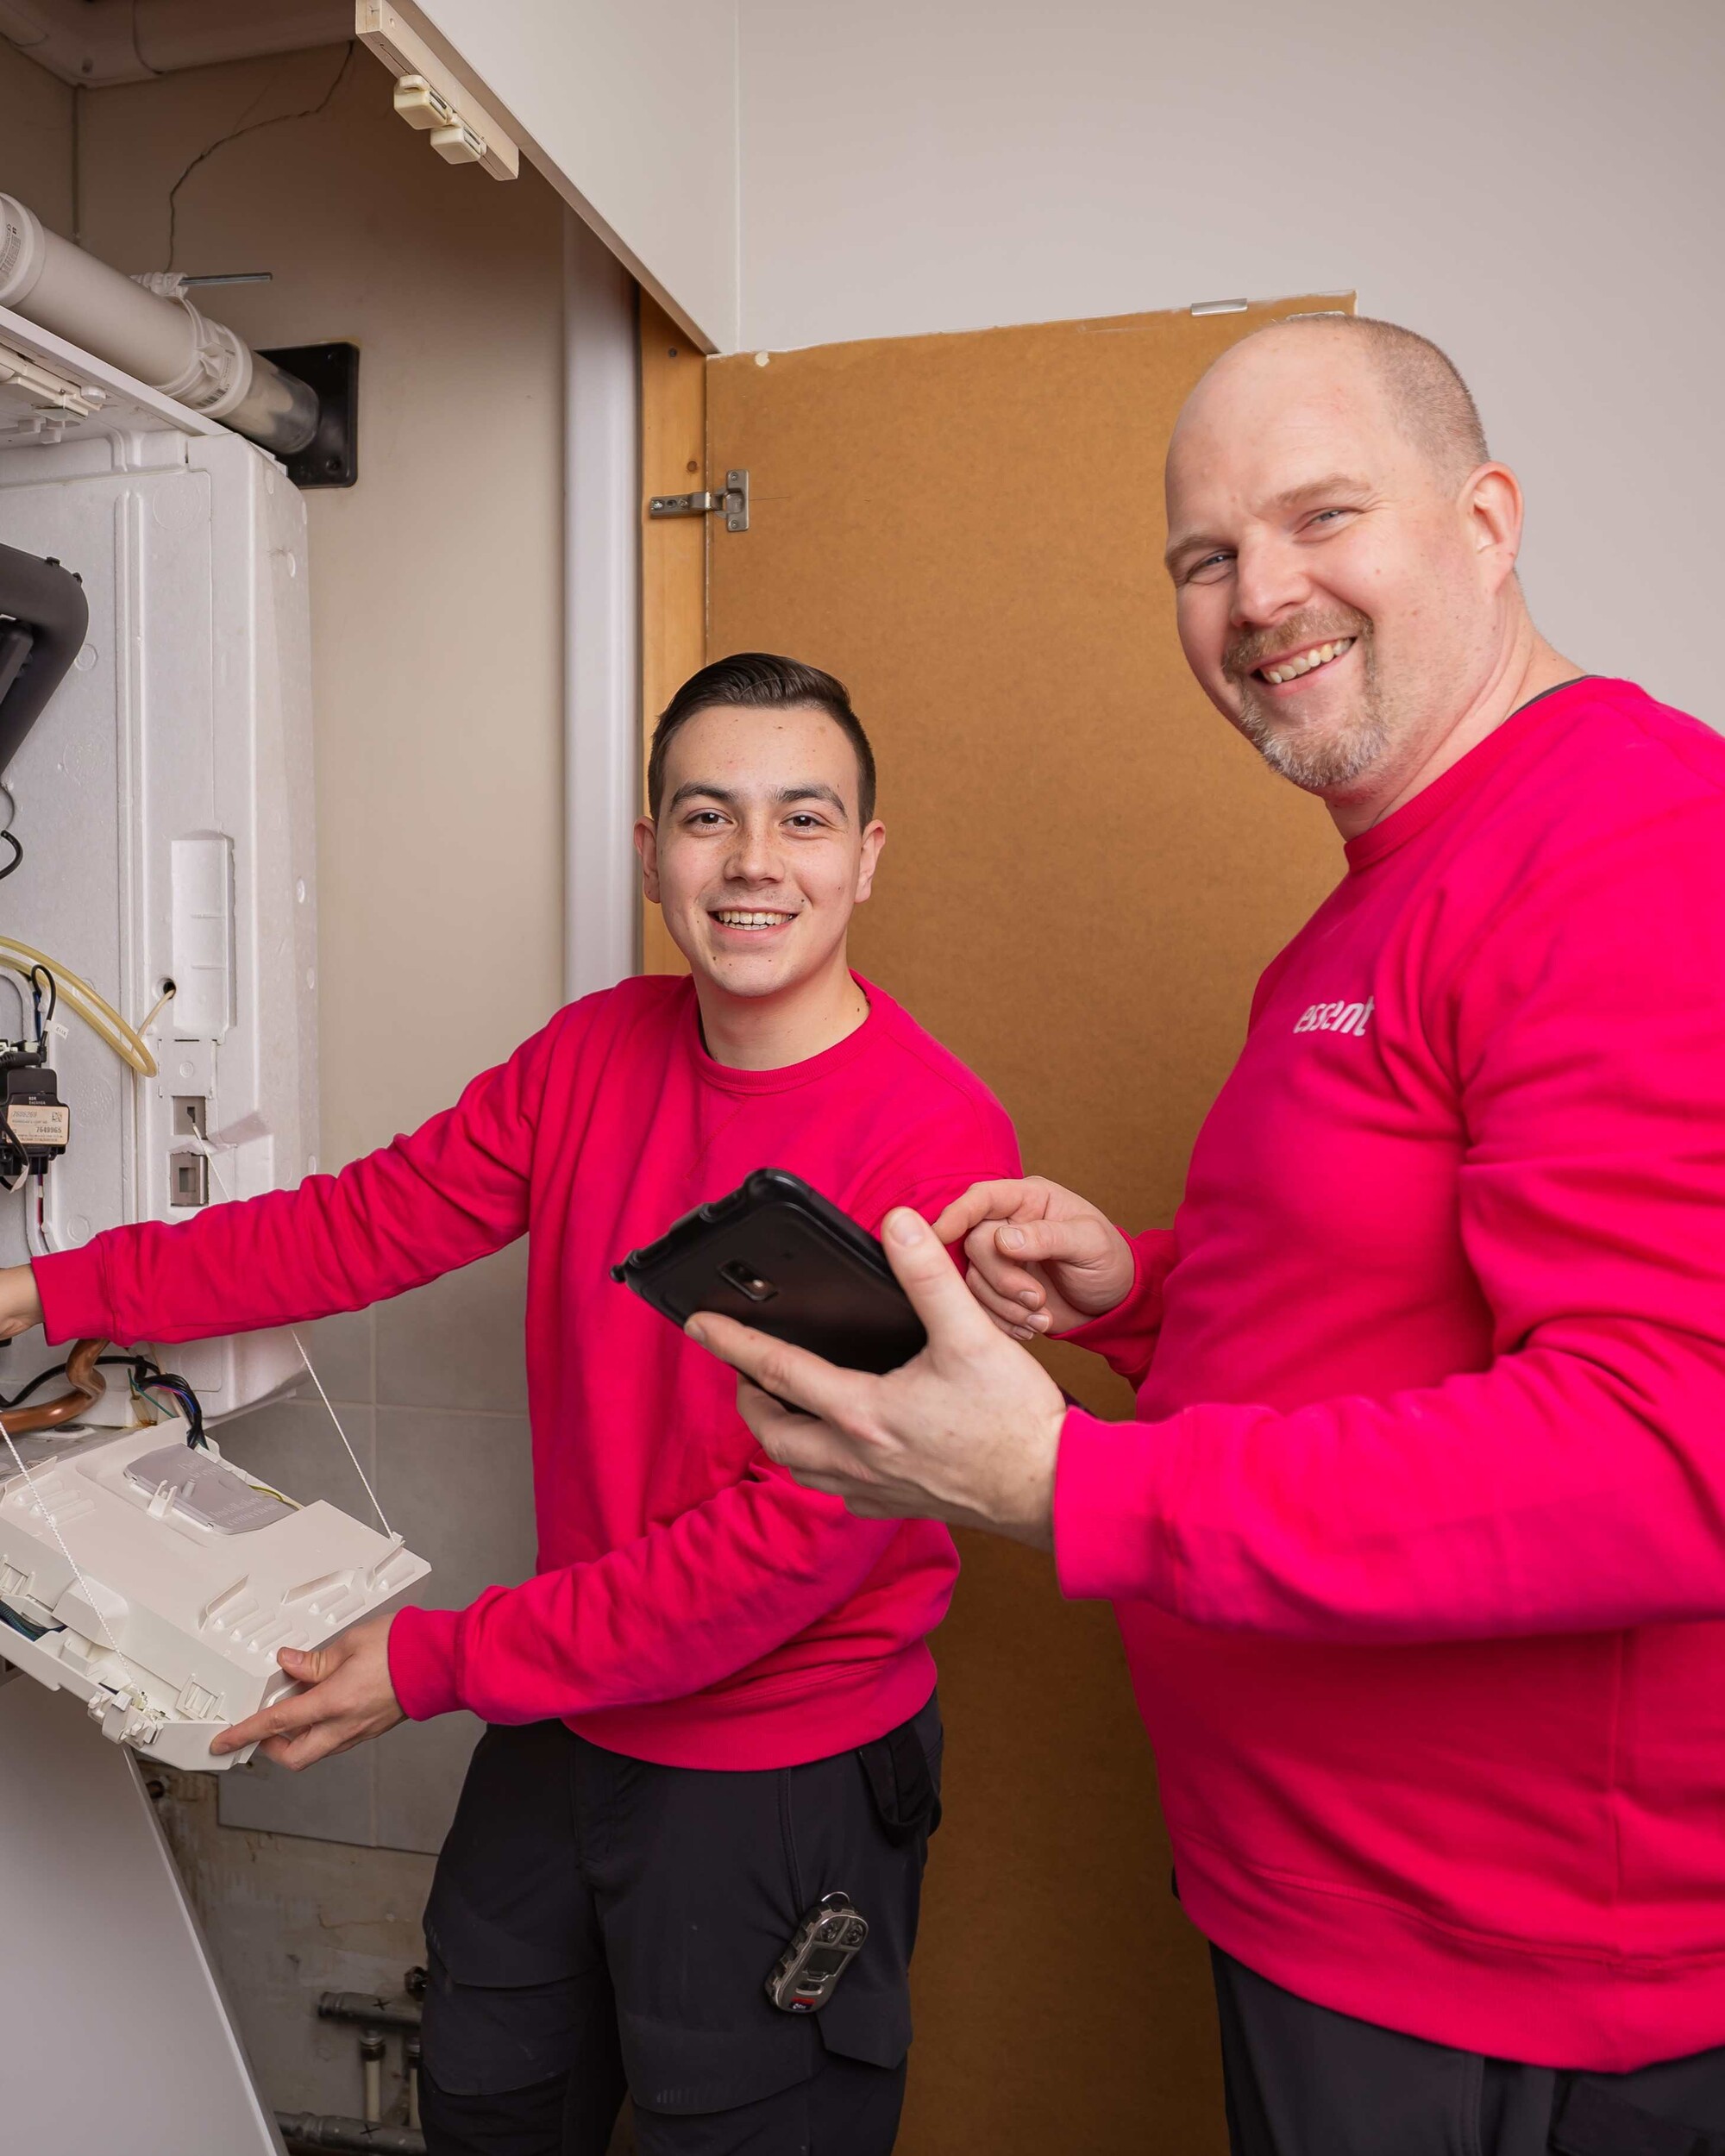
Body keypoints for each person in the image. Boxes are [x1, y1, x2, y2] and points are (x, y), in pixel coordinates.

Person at [687, 321, 1725, 2155]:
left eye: (1321, 516)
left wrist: (1063, 1482)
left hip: (1514, 1982)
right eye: (1202, 556)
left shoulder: (1633, 842)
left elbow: (1669, 1450)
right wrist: (1146, 1293)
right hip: (1330, 1911)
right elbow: (1402, 1296)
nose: (1258, 596)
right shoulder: (1371, 896)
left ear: (1486, 521)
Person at [0, 652, 1019, 2156]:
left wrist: (435, 1662)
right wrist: (46, 1291)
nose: (753, 861)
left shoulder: (933, 1142)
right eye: (708, 816)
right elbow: (353, 1228)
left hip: (778, 1765)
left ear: (865, 857)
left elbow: (782, 1554)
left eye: (802, 819)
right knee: (486, 2099)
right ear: (653, 852)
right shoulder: (596, 1053)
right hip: (573, 1707)